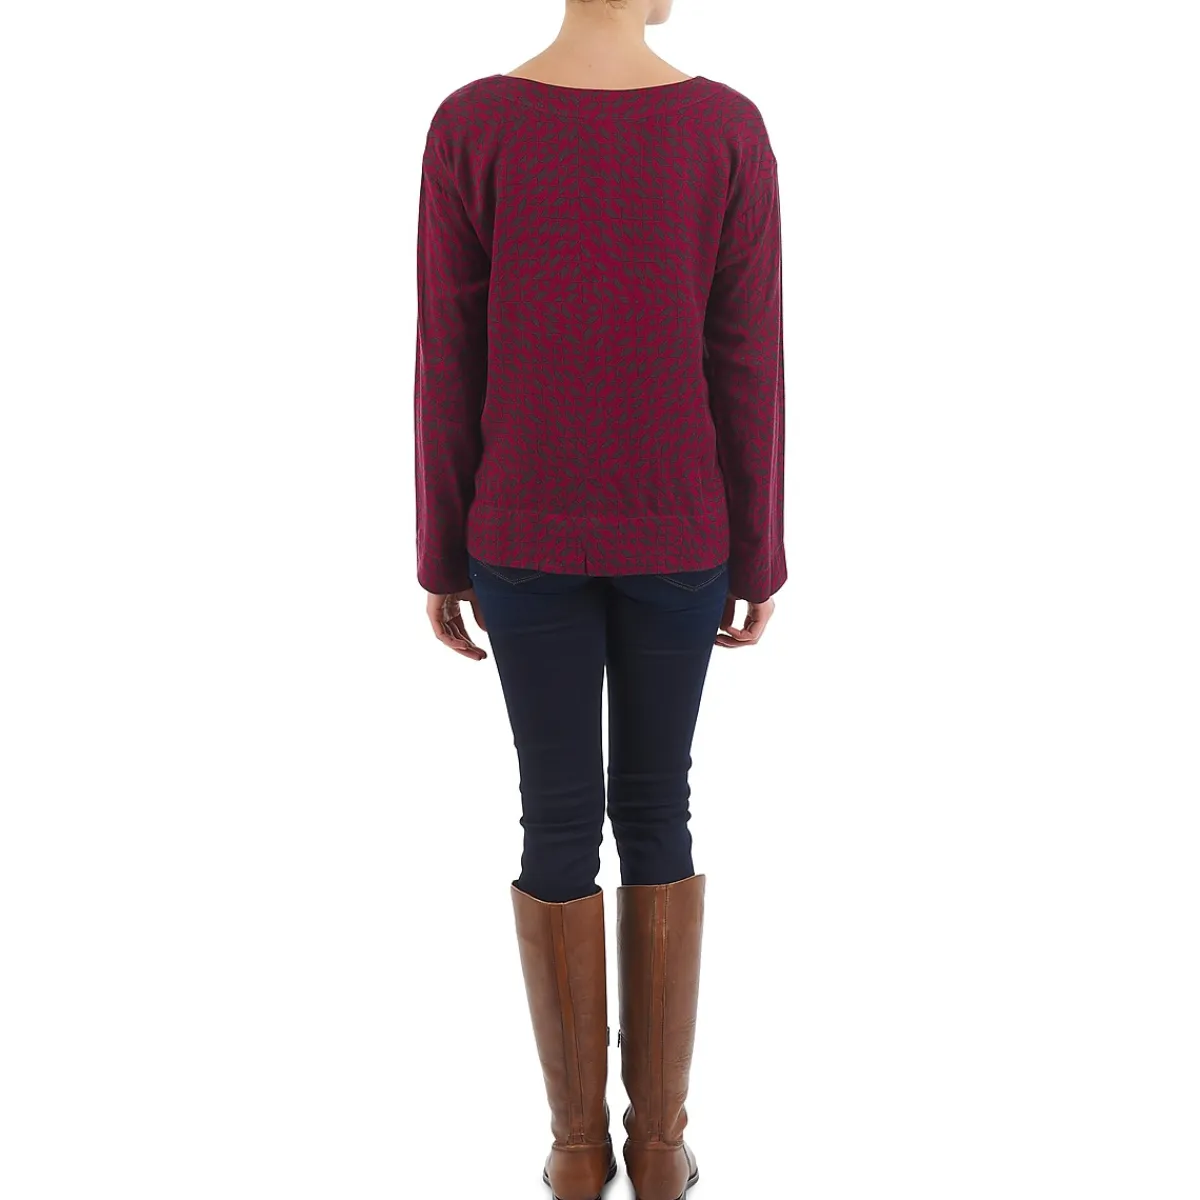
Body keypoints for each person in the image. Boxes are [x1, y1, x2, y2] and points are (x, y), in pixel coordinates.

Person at [413, 1, 785, 1196]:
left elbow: (448, 356)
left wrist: (440, 551)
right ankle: (659, 1148)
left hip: (522, 528)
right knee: (659, 808)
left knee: (558, 818)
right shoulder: (725, 129)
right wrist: (758, 553)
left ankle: (579, 1153)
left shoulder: (473, 126)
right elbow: (747, 355)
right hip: (679, 527)